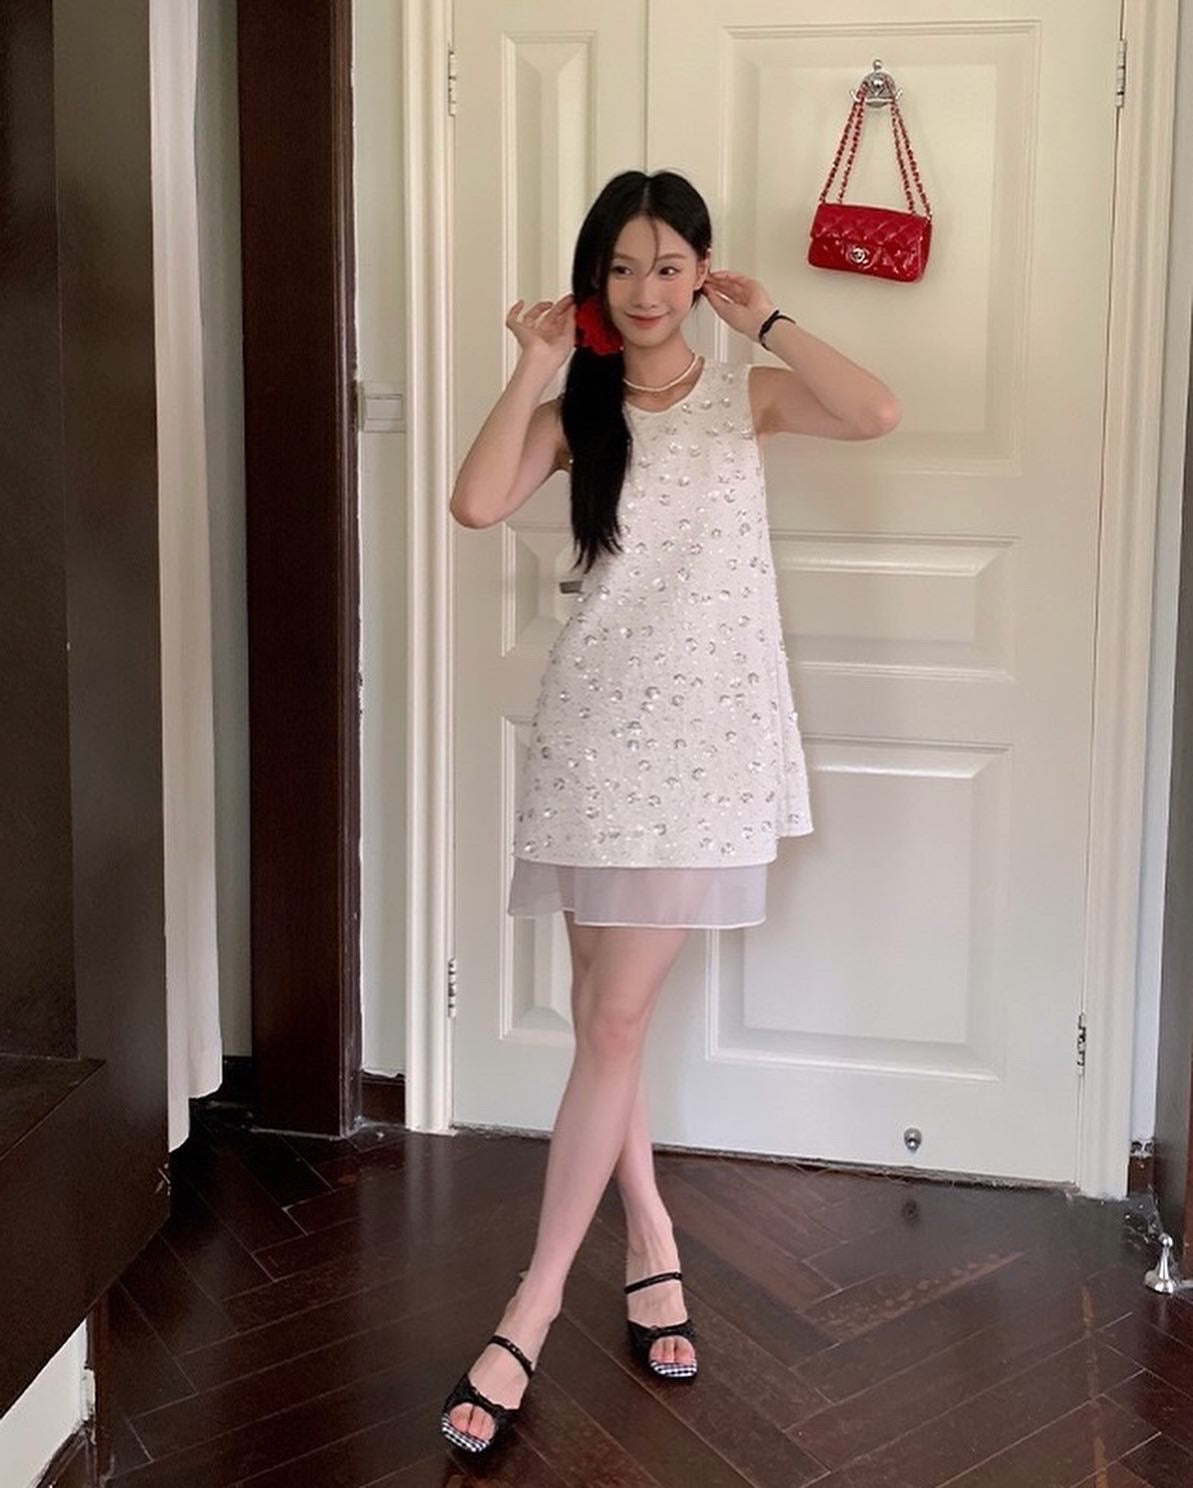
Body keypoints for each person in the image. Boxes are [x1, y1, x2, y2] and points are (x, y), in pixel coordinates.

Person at [442, 169, 901, 1454]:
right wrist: (534, 365)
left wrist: (769, 321)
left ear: (700, 270)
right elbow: (474, 503)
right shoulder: (579, 412)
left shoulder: (745, 395)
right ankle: (649, 1239)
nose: (643, 291)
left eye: (666, 265)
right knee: (609, 1020)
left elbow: (874, 410)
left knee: (611, 1021)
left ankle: (531, 1308)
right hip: (591, 737)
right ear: (592, 280)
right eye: (620, 267)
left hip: (700, 751)